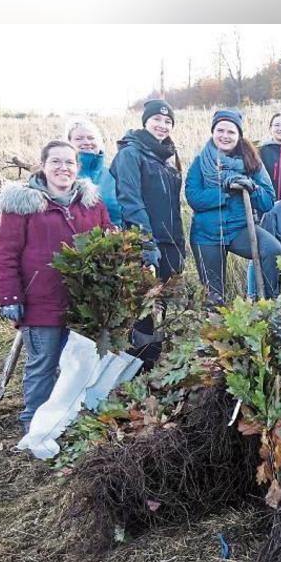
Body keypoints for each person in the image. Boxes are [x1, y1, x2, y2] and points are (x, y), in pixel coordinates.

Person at [0, 141, 112, 428]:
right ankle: (33, 423)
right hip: (40, 301)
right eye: (56, 162)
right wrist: (10, 297)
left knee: (77, 363)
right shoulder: (22, 204)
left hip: (83, 301)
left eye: (69, 162)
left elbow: (108, 239)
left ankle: (67, 419)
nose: (63, 168)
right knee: (43, 365)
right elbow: (6, 254)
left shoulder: (90, 203)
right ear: (43, 165)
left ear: (78, 167)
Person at [111, 100, 185, 364]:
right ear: (145, 122)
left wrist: (179, 247)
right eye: (157, 120)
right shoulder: (130, 154)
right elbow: (131, 202)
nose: (162, 125)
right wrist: (146, 244)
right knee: (143, 309)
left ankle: (155, 363)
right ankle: (139, 366)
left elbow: (174, 209)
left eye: (168, 122)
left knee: (160, 305)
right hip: (144, 243)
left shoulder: (167, 158)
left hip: (168, 243)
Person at [186, 108, 281, 304]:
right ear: (213, 132)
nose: (225, 136)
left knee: (272, 249)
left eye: (231, 132)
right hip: (206, 235)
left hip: (240, 229)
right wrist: (227, 191)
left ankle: (267, 304)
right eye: (220, 130)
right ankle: (215, 326)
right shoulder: (200, 162)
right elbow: (194, 197)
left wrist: (251, 188)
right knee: (214, 296)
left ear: (239, 136)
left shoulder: (251, 162)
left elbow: (268, 201)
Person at [65, 117, 121, 226]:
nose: (86, 142)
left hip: (114, 239)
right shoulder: (62, 175)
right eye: (79, 139)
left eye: (91, 138)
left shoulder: (113, 174)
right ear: (68, 143)